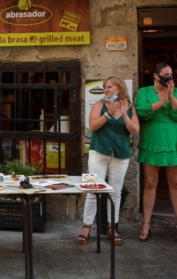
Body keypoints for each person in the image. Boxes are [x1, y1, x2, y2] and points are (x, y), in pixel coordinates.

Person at [77, 77, 139, 246]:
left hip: (120, 154)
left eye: (110, 87)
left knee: (115, 191)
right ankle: (86, 226)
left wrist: (125, 114)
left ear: (119, 88)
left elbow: (135, 129)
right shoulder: (100, 105)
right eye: (104, 87)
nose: (106, 89)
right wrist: (109, 112)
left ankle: (112, 227)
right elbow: (93, 125)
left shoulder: (130, 107)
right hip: (99, 152)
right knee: (93, 190)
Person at [135, 63, 177, 242]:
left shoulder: (176, 91)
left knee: (175, 184)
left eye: (171, 74)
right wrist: (163, 100)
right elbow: (143, 112)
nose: (169, 77)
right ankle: (146, 223)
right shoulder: (144, 92)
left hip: (172, 140)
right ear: (156, 75)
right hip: (151, 138)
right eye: (165, 74)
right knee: (150, 183)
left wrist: (171, 96)